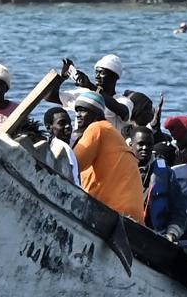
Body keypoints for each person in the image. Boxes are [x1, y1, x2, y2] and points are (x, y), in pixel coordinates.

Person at [68, 89, 144, 221]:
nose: (78, 115)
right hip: (133, 217)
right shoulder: (111, 132)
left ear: (96, 115)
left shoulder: (97, 128)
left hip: (113, 213)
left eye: (83, 110)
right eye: (77, 111)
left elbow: (71, 166)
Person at [43, 106, 80, 183]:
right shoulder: (63, 148)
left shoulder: (52, 145)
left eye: (69, 122)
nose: (68, 126)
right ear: (49, 128)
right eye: (62, 123)